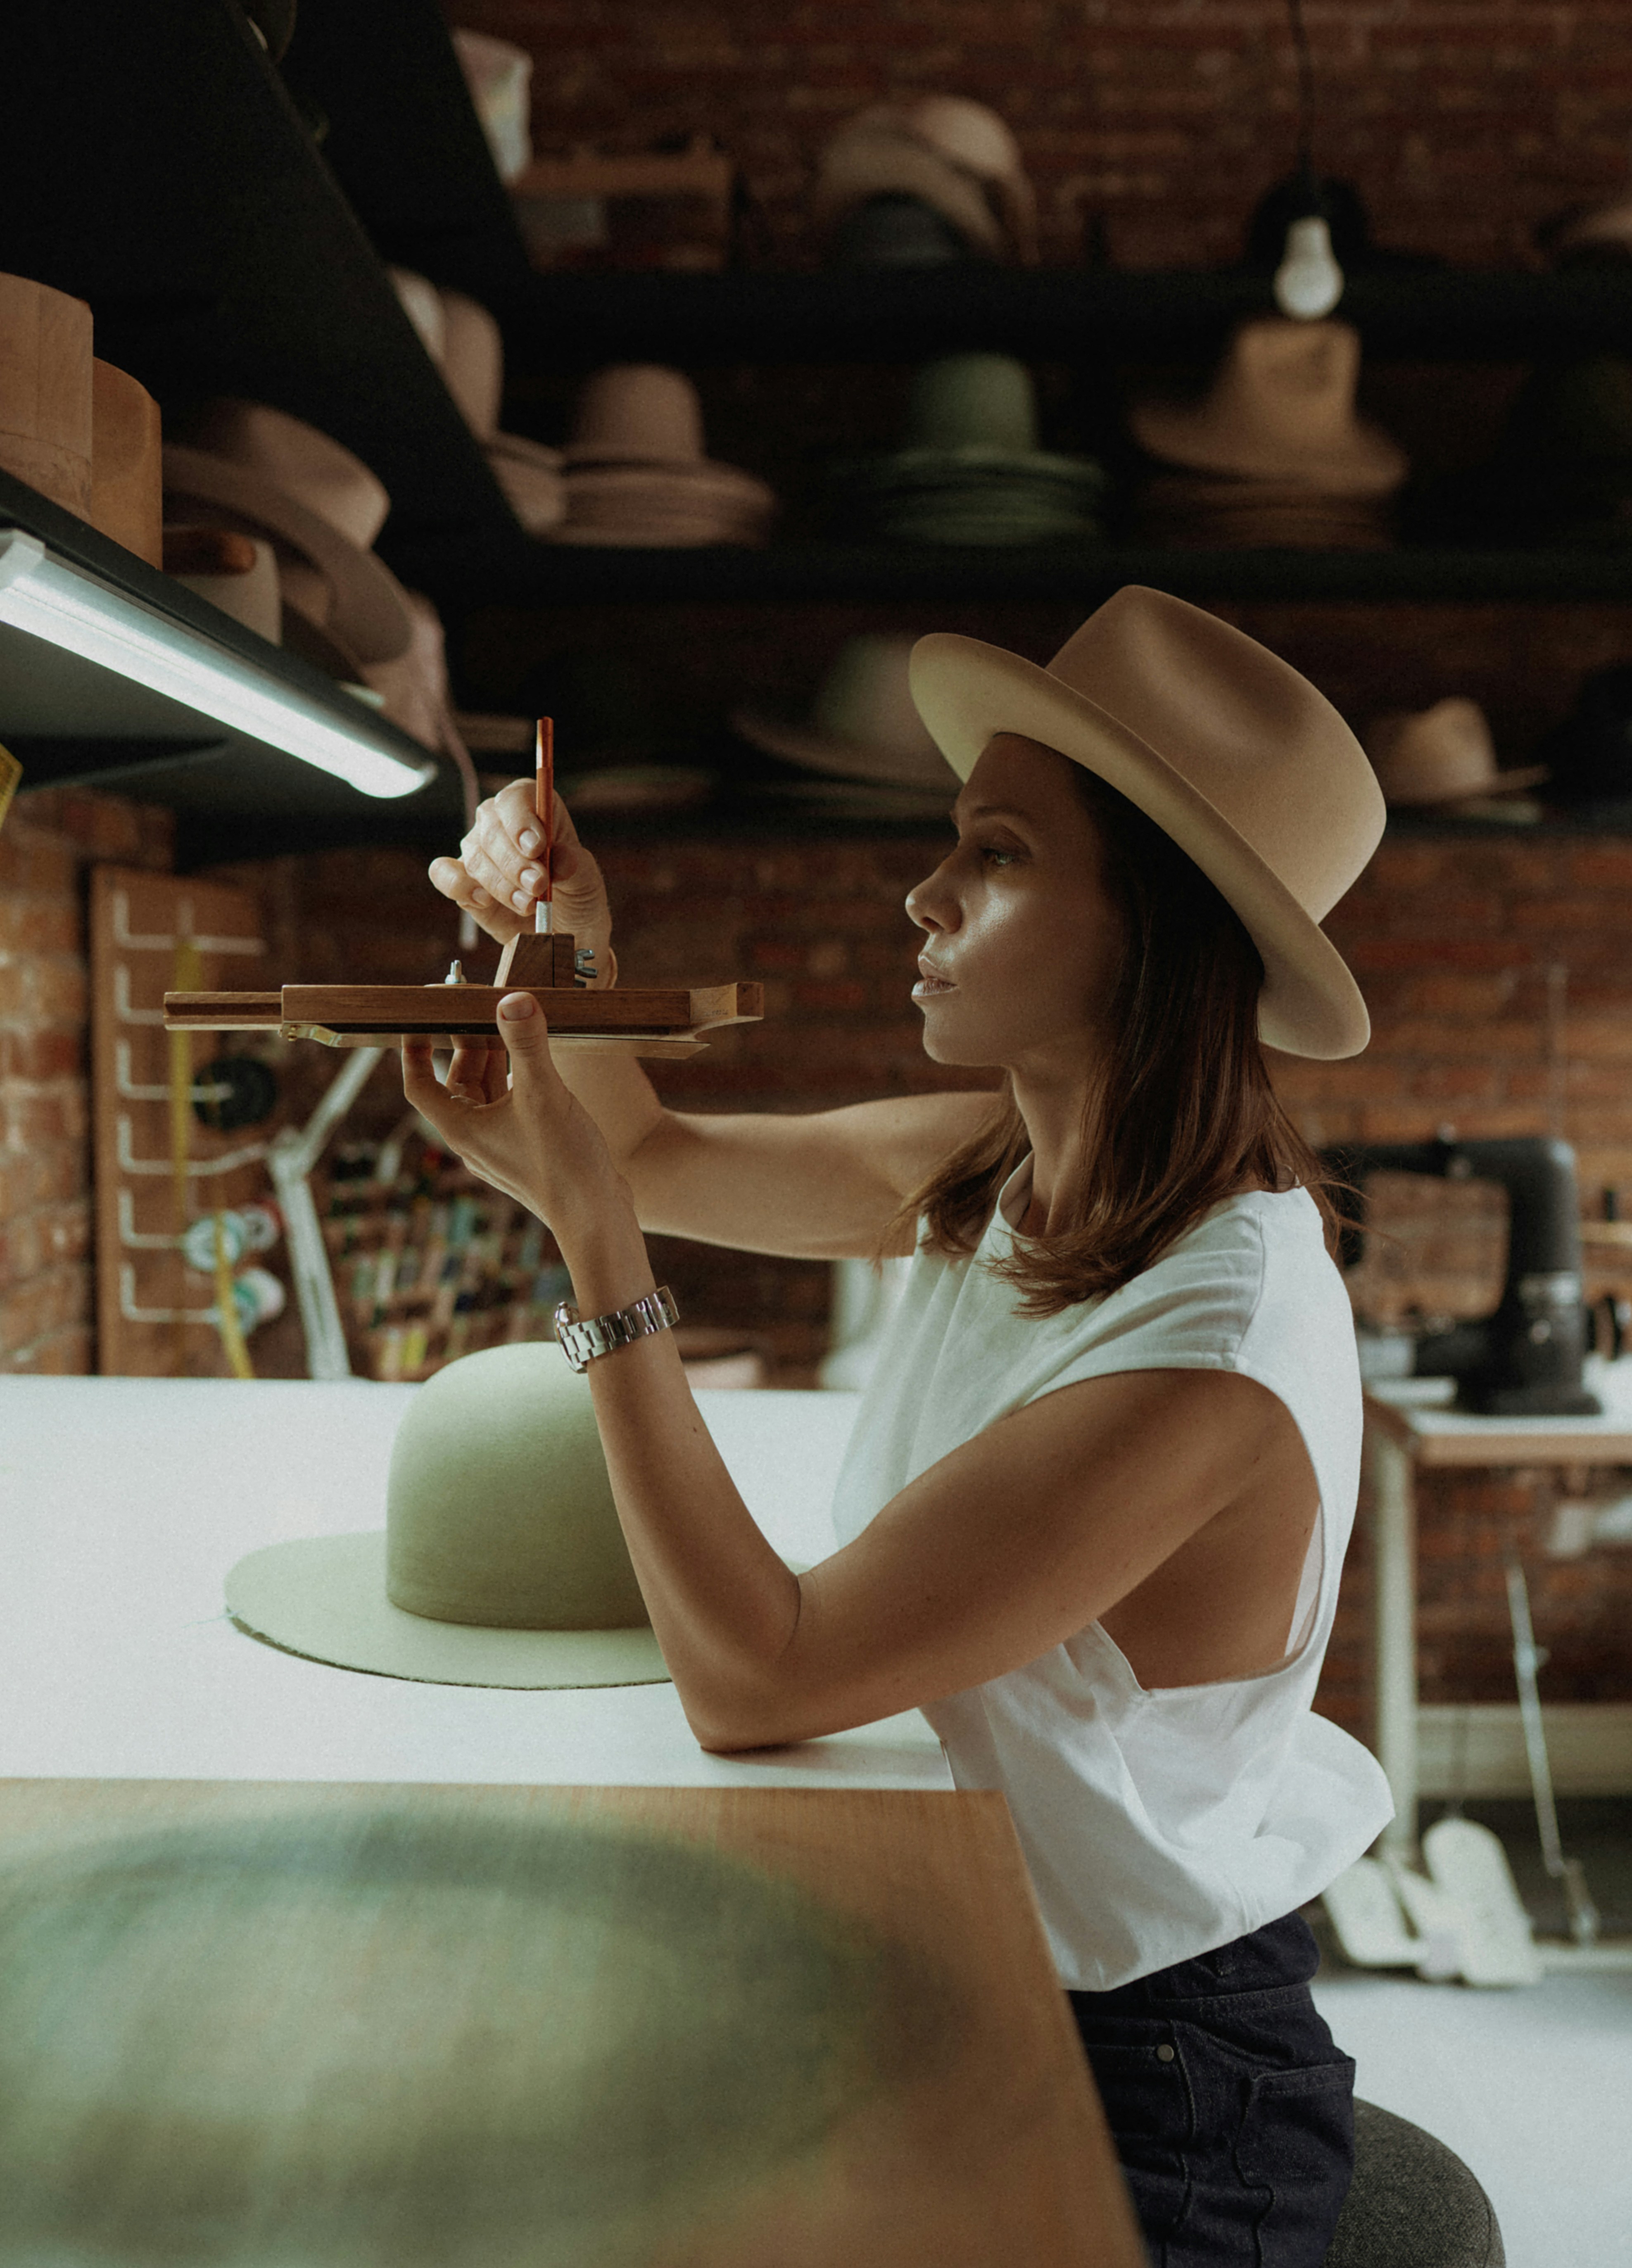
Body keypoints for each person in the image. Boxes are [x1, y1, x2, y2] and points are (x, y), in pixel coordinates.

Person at [414, 586, 1395, 2267]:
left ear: (1147, 923)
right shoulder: (1009, 1176)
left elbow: (761, 1673)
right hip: (987, 1966)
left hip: (1155, 2088)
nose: (922, 893)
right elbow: (649, 1154)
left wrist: (596, 1261)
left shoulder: (1213, 1339)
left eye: (996, 853)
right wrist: (572, 938)